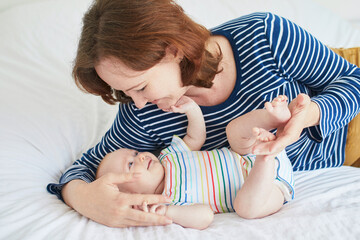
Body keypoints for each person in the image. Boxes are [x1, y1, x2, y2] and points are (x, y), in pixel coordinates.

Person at [47, 0, 360, 228]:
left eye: (140, 87)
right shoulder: (142, 116)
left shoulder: (265, 36)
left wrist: (310, 115)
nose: (138, 103)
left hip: (350, 128)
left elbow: (352, 80)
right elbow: (88, 166)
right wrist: (85, 199)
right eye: (125, 93)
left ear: (173, 49)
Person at [95, 95, 295, 229]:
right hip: (268, 189)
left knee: (234, 132)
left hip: (246, 154)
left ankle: (271, 118)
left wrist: (193, 111)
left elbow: (195, 138)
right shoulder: (170, 200)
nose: (140, 157)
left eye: (135, 153)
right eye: (130, 165)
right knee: (246, 208)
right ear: (132, 197)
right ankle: (265, 159)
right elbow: (205, 216)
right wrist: (169, 212)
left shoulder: (169, 156)